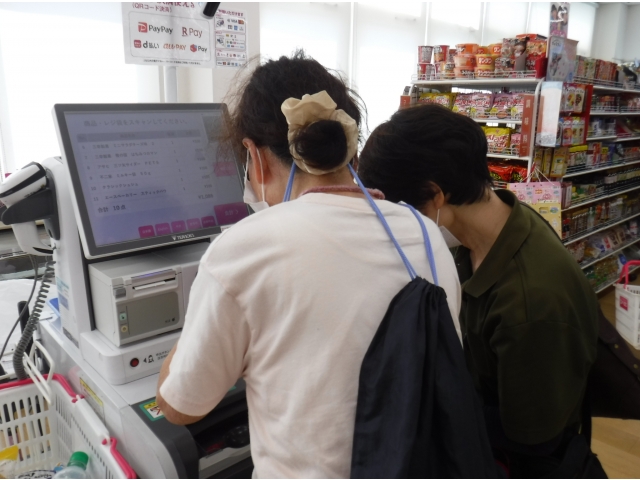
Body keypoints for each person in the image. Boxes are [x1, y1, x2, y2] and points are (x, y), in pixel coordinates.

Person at [155, 52, 462, 478]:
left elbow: (179, 407)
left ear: (253, 154)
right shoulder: (424, 232)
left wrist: (198, 328)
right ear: (346, 142)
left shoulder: (242, 252)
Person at [357, 103, 599, 478]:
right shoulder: (491, 228)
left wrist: (431, 408)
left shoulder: (531, 302)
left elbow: (533, 435)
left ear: (435, 196)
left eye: (397, 211)